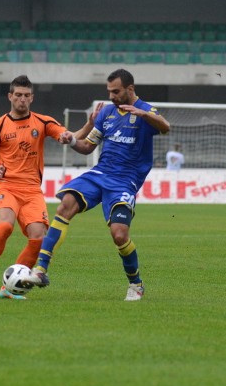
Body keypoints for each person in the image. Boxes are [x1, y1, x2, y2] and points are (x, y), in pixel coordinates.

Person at [28, 69, 171, 301]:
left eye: (116, 91)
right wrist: (72, 139)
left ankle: (136, 284)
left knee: (119, 235)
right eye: (109, 91)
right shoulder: (106, 113)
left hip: (125, 180)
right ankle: (41, 270)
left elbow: (165, 127)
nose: (112, 96)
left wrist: (143, 115)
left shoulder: (145, 110)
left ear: (130, 89)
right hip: (99, 173)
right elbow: (87, 147)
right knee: (66, 204)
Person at [0, 75, 96, 300]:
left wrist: (88, 125)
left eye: (27, 96)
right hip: (6, 186)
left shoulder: (43, 122)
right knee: (5, 227)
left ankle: (8, 288)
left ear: (32, 98)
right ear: (10, 96)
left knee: (39, 238)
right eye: (18, 95)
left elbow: (72, 137)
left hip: (32, 191)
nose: (22, 99)